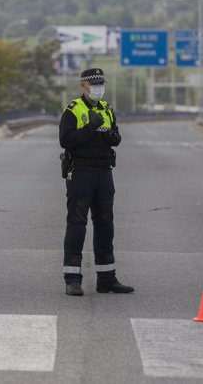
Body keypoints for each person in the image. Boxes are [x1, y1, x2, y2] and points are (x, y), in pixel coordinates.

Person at [59, 68, 134, 296]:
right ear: (84, 86)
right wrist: (90, 127)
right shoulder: (73, 109)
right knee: (77, 225)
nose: (99, 88)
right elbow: (65, 141)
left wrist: (114, 138)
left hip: (104, 172)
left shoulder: (107, 109)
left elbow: (115, 136)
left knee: (105, 225)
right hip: (81, 172)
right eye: (95, 84)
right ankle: (73, 279)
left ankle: (107, 279)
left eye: (102, 84)